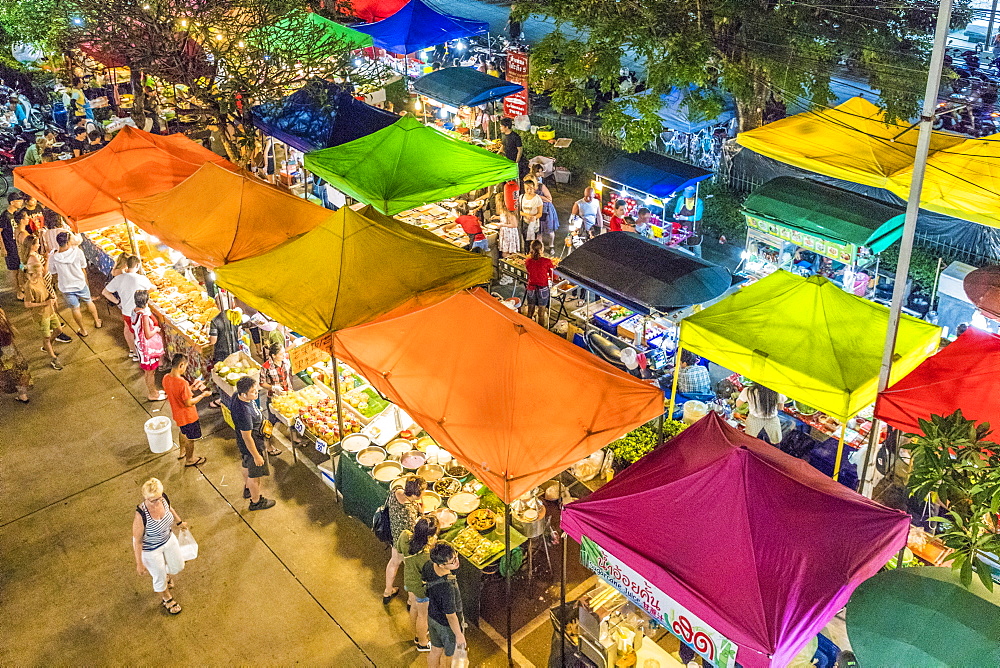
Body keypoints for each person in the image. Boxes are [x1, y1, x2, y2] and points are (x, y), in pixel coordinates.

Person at [131, 477, 188, 615]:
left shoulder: (163, 499)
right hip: (151, 549)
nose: (157, 502)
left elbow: (170, 508)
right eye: (153, 500)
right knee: (159, 577)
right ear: (145, 498)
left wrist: (179, 522)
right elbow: (137, 541)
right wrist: (139, 563)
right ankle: (167, 598)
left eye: (159, 498)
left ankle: (165, 574)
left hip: (168, 539)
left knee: (178, 566)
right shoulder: (141, 515)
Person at [231, 376, 276, 511]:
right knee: (255, 475)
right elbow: (247, 437)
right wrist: (256, 455)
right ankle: (256, 502)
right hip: (253, 445)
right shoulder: (244, 413)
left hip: (244, 446)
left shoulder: (237, 396)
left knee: (246, 465)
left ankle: (248, 489)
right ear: (244, 394)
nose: (256, 393)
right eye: (253, 391)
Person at [397, 516, 440, 652]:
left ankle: (417, 634)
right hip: (421, 587)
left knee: (414, 607)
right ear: (429, 536)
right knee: (423, 615)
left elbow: (400, 553)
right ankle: (422, 642)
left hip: (409, 580)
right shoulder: (427, 555)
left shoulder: (405, 536)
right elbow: (433, 574)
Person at [48, 231, 103, 336]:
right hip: (80, 283)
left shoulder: (53, 257)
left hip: (66, 287)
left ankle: (83, 330)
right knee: (89, 301)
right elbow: (83, 267)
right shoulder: (78, 252)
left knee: (75, 308)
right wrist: (85, 281)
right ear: (68, 242)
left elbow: (53, 272)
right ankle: (97, 321)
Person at [422, 542, 466, 668]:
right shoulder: (448, 587)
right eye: (452, 561)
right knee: (450, 655)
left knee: (435, 650)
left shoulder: (429, 565)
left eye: (456, 556)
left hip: (432, 617)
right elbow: (451, 615)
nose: (456, 562)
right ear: (442, 565)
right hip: (446, 627)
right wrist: (459, 635)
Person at [162, 353, 211, 467]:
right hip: (188, 416)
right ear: (181, 365)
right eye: (185, 366)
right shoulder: (182, 383)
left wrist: (190, 389)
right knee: (190, 437)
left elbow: (175, 392)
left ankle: (182, 451)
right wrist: (203, 395)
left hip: (177, 414)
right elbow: (188, 403)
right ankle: (190, 459)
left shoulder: (166, 378)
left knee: (183, 431)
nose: (185, 369)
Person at [102, 255, 154, 361]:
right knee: (147, 329)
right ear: (137, 265)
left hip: (126, 312)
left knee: (129, 330)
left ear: (126, 265)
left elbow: (105, 292)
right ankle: (145, 354)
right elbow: (153, 288)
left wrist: (117, 302)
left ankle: (133, 351)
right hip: (140, 312)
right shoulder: (141, 278)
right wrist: (143, 292)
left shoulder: (119, 278)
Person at [384, 474, 426, 604]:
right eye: (422, 493)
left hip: (395, 537)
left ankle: (387, 591)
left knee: (394, 562)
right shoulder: (408, 510)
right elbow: (416, 528)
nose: (422, 495)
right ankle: (410, 601)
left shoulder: (396, 491)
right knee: (411, 572)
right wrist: (422, 512)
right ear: (414, 495)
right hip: (405, 544)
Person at [22, 261, 71, 370]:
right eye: (39, 272)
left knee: (58, 330)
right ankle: (53, 358)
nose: (41, 273)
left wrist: (51, 297)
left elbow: (46, 290)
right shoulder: (29, 286)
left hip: (50, 311)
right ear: (33, 273)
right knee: (47, 336)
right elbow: (27, 304)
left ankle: (47, 347)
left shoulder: (40, 279)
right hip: (41, 315)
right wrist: (44, 303)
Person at [132, 290, 165, 401]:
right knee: (150, 372)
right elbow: (148, 334)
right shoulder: (144, 316)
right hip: (146, 348)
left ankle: (154, 391)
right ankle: (152, 394)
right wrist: (155, 329)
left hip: (140, 345)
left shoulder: (135, 311)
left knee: (149, 372)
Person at [259, 342, 290, 457]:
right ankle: (267, 445)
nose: (284, 355)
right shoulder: (266, 367)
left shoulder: (285, 361)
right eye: (281, 354)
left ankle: (295, 438)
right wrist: (273, 387)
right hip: (274, 399)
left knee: (290, 417)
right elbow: (262, 383)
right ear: (273, 355)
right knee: (271, 422)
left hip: (287, 395)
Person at [0, 307, 31, 403]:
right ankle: (23, 396)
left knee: (4, 375)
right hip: (10, 350)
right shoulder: (2, 318)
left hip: (3, 353)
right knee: (18, 373)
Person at [529, 164, 560, 253]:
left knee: (549, 230)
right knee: (539, 231)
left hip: (546, 209)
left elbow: (549, 199)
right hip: (537, 209)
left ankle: (551, 246)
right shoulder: (530, 188)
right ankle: (540, 249)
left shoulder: (541, 186)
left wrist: (538, 196)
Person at [1, 192, 26, 294]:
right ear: (12, 202)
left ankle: (20, 286)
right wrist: (3, 247)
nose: (21, 203)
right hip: (9, 246)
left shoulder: (16, 214)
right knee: (13, 269)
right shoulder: (4, 216)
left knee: (20, 267)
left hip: (17, 245)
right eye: (18, 201)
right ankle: (17, 291)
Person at [524, 240, 553, 325]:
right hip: (543, 288)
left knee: (530, 310)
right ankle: (540, 332)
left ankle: (528, 327)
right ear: (542, 249)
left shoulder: (528, 261)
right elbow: (553, 275)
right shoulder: (547, 261)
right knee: (541, 313)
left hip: (531, 287)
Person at [673, 186, 705, 257]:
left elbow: (698, 217)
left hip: (695, 228)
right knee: (684, 247)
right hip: (683, 227)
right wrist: (676, 215)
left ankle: (699, 260)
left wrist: (685, 217)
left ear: (694, 194)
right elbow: (677, 210)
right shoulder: (681, 199)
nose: (688, 198)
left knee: (696, 247)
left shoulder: (699, 202)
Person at [499, 117, 527, 182]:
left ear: (506, 127)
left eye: (501, 126)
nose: (500, 128)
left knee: (516, 178)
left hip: (515, 161)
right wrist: (498, 154)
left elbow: (520, 150)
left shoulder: (515, 137)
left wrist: (516, 162)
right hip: (508, 160)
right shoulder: (503, 135)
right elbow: (503, 145)